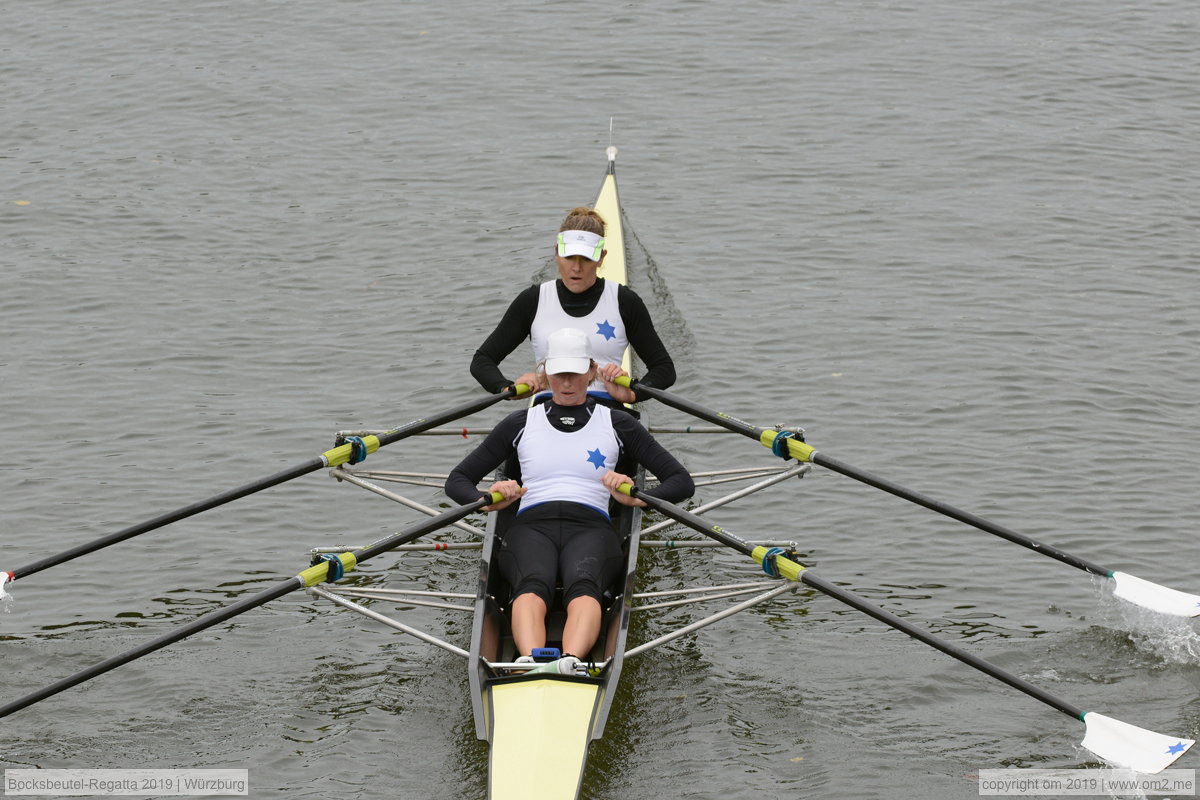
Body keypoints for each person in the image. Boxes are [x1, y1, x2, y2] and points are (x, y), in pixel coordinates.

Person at [447, 328, 694, 668]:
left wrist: (640, 500)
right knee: (531, 585)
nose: (567, 382)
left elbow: (681, 482)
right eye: (559, 373)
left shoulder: (619, 424)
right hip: (531, 526)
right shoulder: (519, 423)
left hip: (592, 527)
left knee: (584, 587)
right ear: (545, 372)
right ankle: (531, 663)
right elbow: (456, 482)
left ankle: (571, 663)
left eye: (576, 373)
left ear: (592, 371)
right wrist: (486, 496)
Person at [469, 206, 675, 406]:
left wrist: (632, 394)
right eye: (569, 257)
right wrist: (507, 390)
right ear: (557, 253)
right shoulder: (533, 300)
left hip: (607, 411)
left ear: (601, 257)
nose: (576, 268)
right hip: (549, 410)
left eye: (585, 258)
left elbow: (664, 369)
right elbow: (482, 361)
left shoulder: (625, 301)